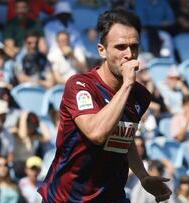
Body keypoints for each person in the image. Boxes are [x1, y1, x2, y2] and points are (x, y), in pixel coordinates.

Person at [38, 9, 172, 202]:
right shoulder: (80, 85)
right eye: (120, 47)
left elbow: (124, 136)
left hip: (112, 196)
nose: (129, 54)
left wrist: (143, 176)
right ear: (102, 50)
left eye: (134, 47)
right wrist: (126, 85)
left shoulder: (140, 96)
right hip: (68, 198)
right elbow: (96, 133)